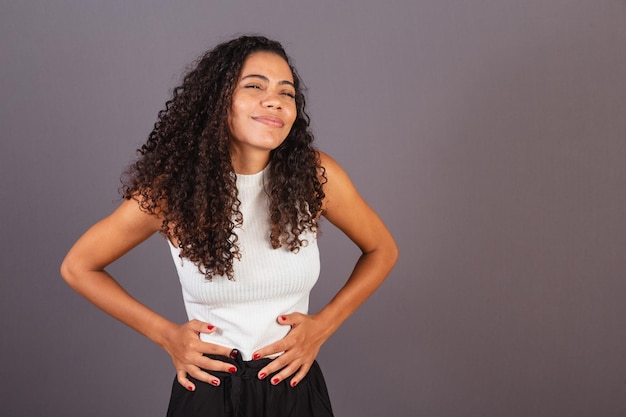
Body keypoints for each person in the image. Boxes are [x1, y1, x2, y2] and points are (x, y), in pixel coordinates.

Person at [61, 35, 398, 417]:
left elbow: (382, 249)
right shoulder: (172, 192)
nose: (274, 100)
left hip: (293, 390)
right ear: (218, 100)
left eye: (286, 93)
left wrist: (323, 326)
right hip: (210, 392)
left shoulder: (316, 177)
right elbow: (78, 266)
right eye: (254, 86)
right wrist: (167, 335)